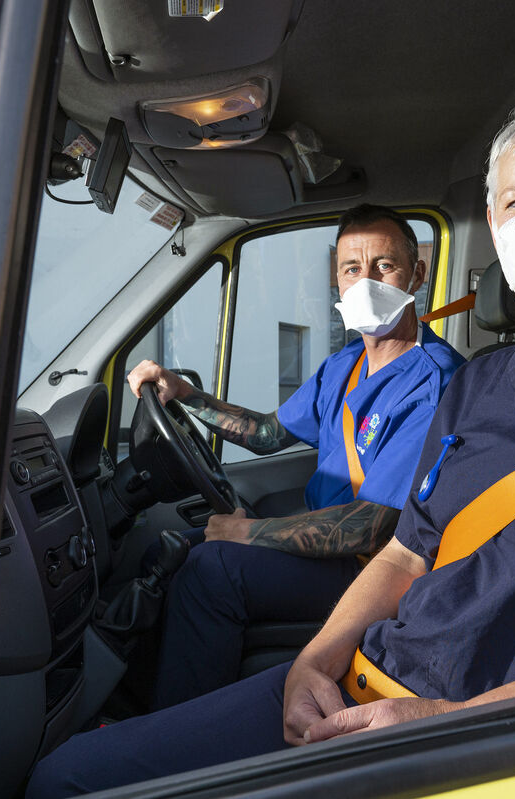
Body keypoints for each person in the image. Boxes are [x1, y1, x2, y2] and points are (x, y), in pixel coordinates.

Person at [27, 92, 515, 796]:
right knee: (64, 774)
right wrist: (313, 663)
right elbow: (404, 554)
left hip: (462, 735)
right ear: (494, 225)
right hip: (363, 680)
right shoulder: (479, 382)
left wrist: (455, 722)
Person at [126, 204, 466, 709]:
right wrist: (185, 395)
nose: (365, 280)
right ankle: (132, 706)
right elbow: (265, 433)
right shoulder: (344, 365)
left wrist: (249, 532)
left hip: (370, 569)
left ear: (417, 273)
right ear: (336, 279)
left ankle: (180, 738)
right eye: (352, 268)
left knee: (209, 571)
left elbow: (373, 527)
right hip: (326, 545)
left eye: (384, 266)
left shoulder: (434, 382)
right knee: (166, 550)